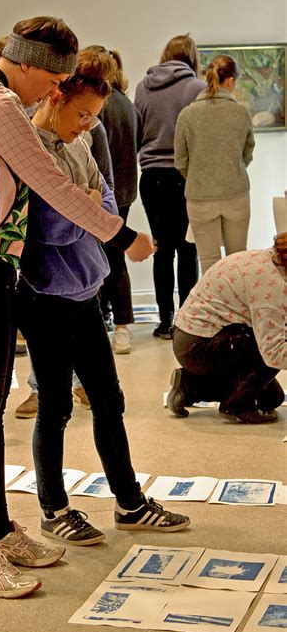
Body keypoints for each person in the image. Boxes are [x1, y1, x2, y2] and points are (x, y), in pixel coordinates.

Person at [0, 16, 153, 599]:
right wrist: (124, 237)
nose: (53, 92)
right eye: (52, 79)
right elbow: (51, 184)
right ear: (28, 64)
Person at [17, 48, 190, 545]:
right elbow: (49, 228)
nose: (88, 125)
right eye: (83, 114)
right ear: (57, 96)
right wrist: (87, 210)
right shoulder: (29, 145)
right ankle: (53, 508)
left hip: (85, 289)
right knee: (55, 404)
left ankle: (130, 502)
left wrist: (89, 209)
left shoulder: (82, 140)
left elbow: (106, 201)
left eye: (95, 117)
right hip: (43, 294)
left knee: (108, 399)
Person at [167, 233, 286, 423]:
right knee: (275, 347)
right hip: (200, 346)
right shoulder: (272, 287)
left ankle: (190, 387)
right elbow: (274, 352)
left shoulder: (268, 259)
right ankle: (237, 405)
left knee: (271, 398)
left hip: (190, 338)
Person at [135, 34, 206, 339]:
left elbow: (138, 131)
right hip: (184, 176)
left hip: (150, 177)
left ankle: (164, 321)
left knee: (162, 251)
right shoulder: (197, 88)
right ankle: (188, 322)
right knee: (187, 250)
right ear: (192, 57)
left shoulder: (142, 86)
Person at [83, 45, 141, 354]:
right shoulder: (127, 105)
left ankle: (113, 324)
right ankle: (120, 325)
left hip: (102, 195)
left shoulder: (94, 108)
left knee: (105, 258)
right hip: (125, 191)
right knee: (113, 256)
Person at [175, 55, 255, 274]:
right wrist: (232, 169)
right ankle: (238, 308)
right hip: (236, 193)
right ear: (230, 81)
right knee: (238, 260)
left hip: (200, 197)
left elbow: (180, 161)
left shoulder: (187, 115)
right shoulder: (241, 113)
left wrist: (200, 175)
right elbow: (247, 153)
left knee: (209, 264)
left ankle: (215, 308)